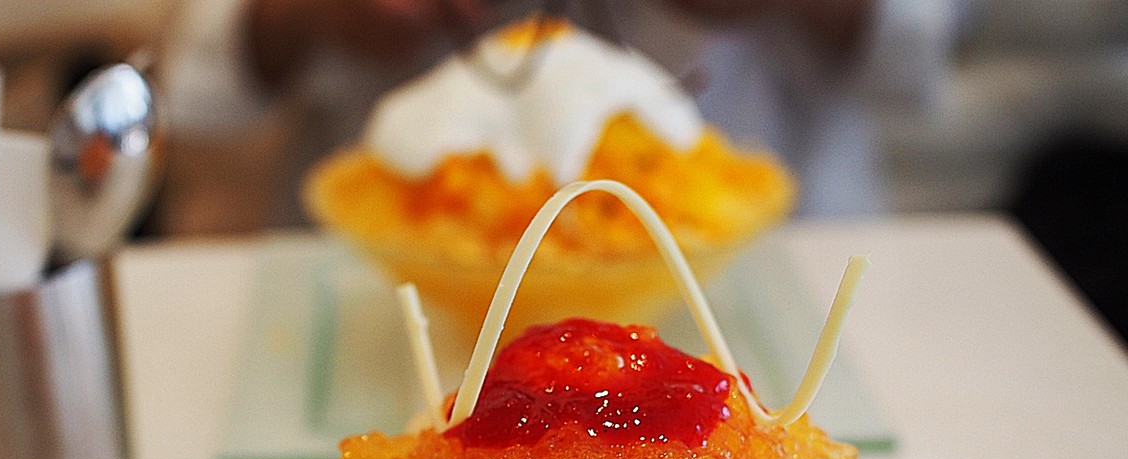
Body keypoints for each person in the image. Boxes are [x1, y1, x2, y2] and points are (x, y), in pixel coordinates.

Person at [161, 0, 971, 226]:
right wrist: (296, 11)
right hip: (394, 285)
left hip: (760, 268)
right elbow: (198, 75)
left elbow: (924, 46)